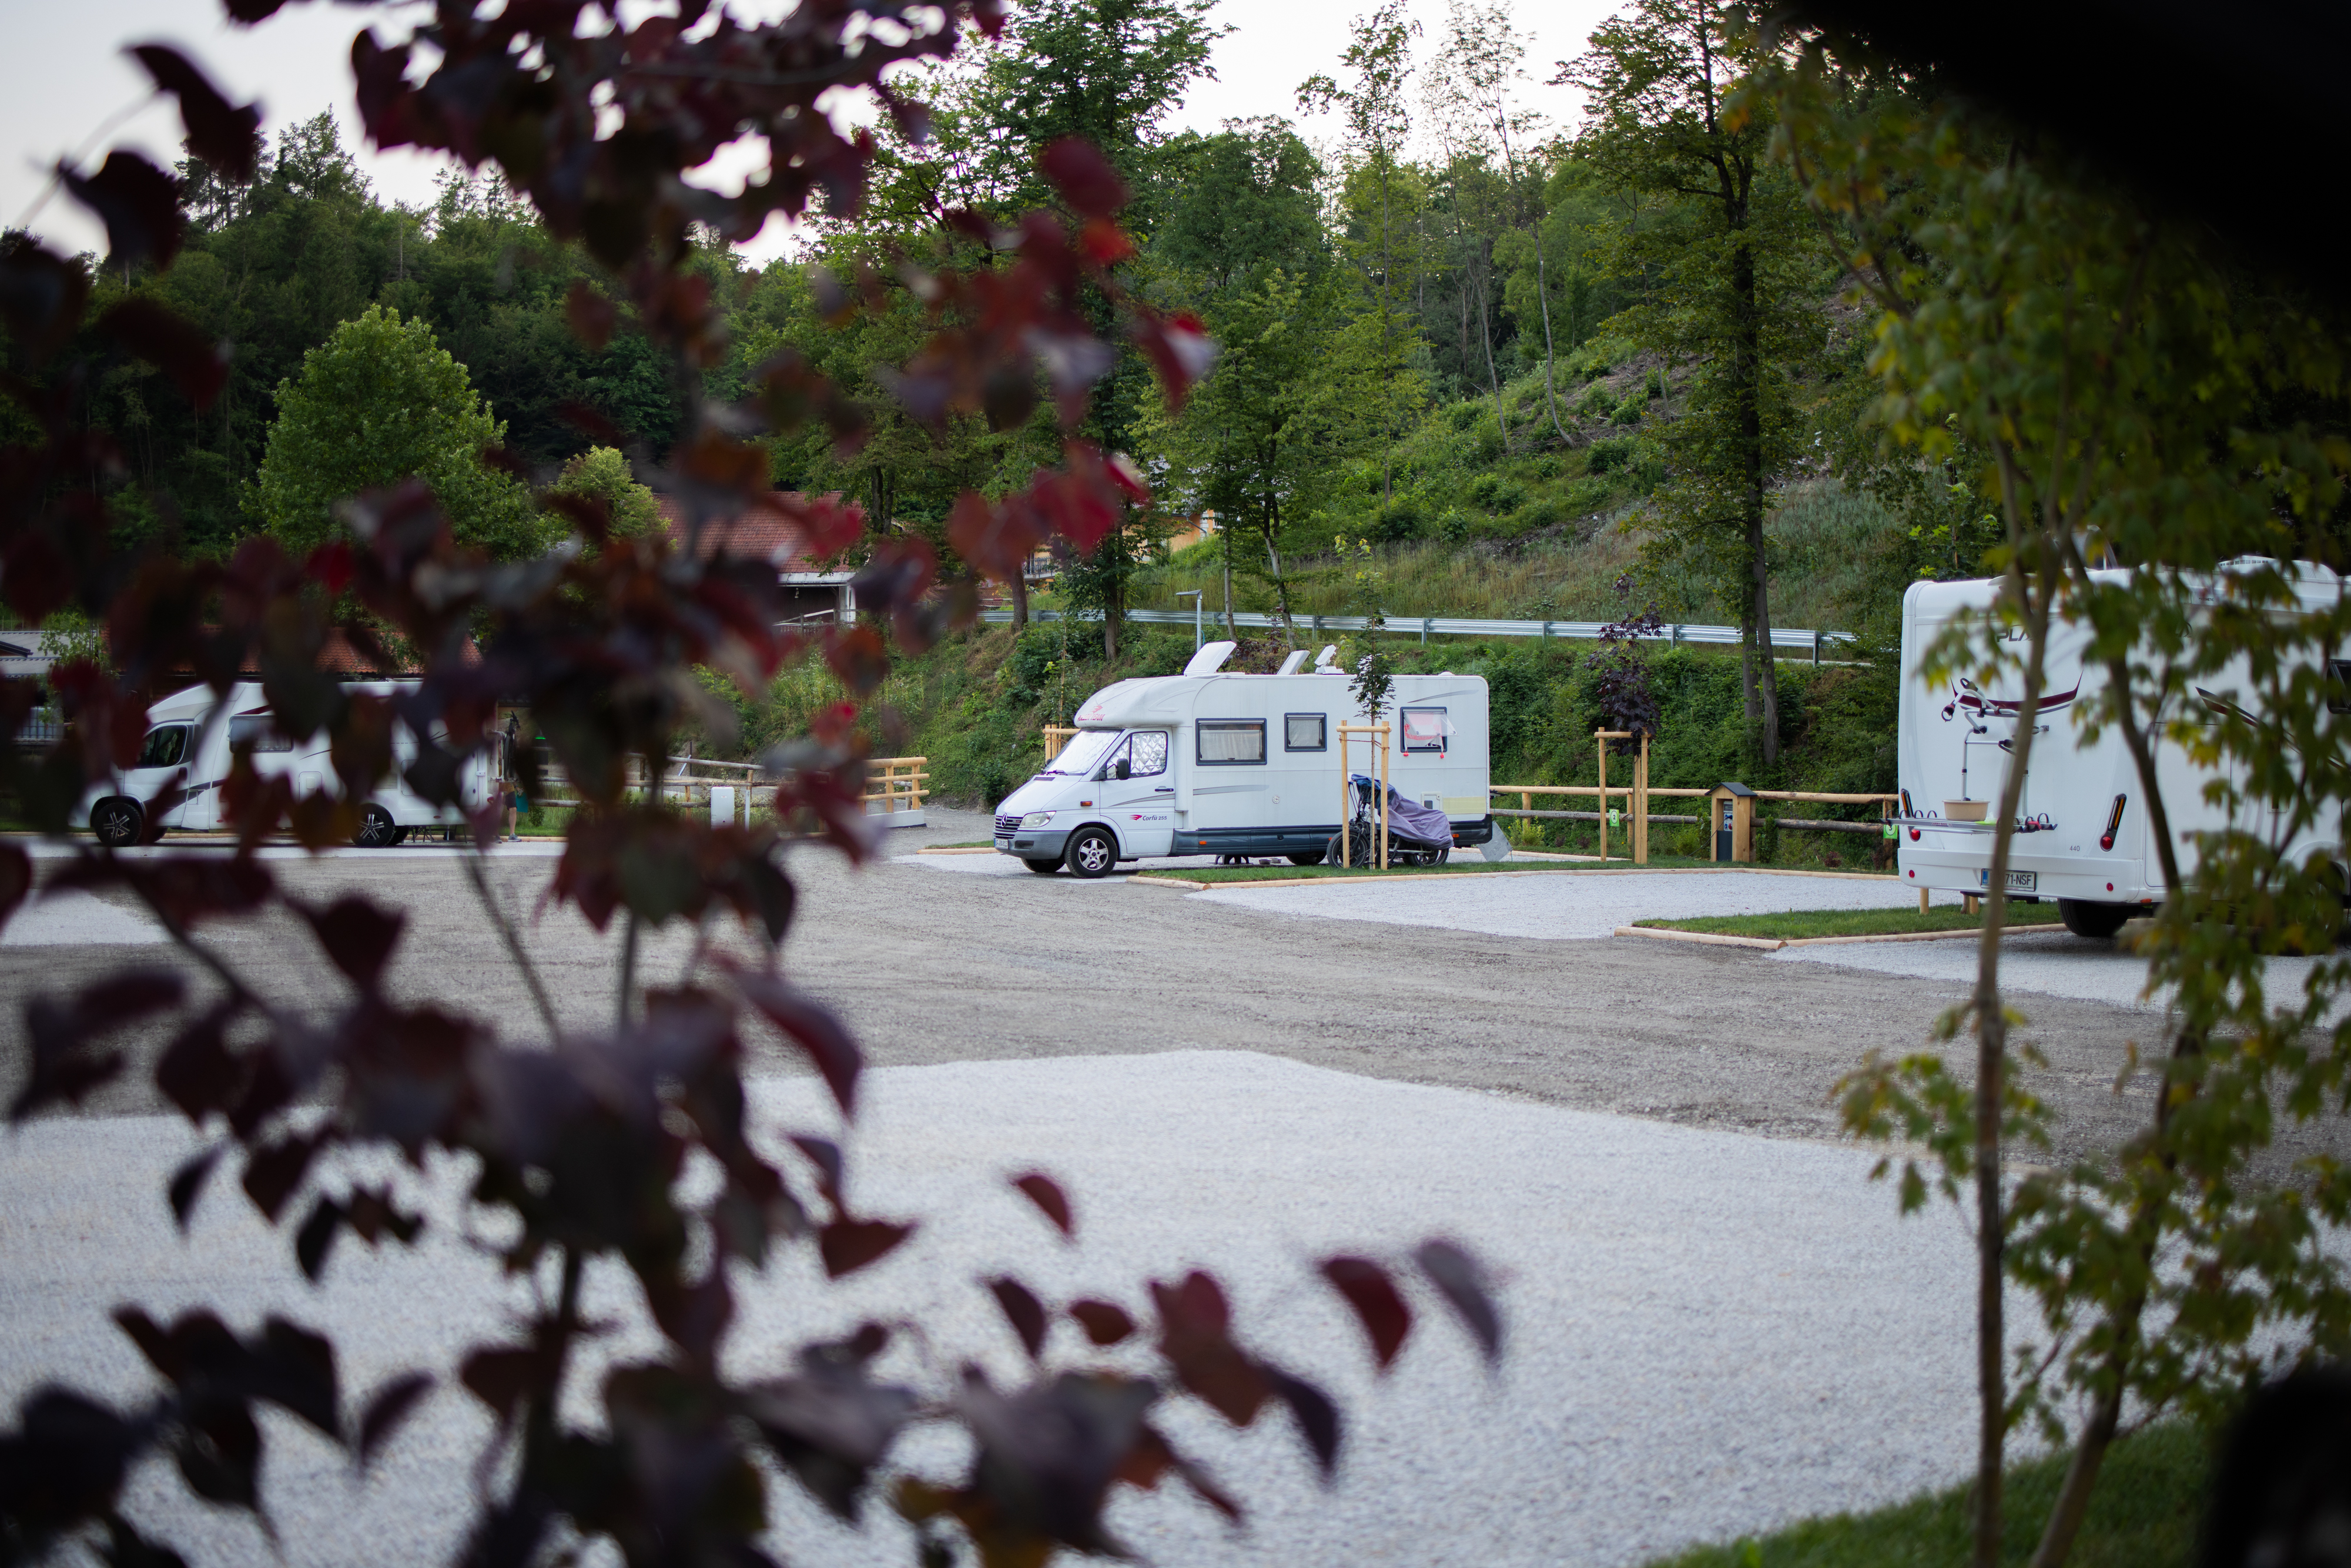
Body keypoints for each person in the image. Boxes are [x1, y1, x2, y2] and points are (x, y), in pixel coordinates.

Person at [501, 713, 527, 842]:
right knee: (497, 809)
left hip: (508, 783)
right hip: (498, 782)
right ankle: (494, 835)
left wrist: (516, 787)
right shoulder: (499, 746)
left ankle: (512, 835)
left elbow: (510, 770)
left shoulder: (513, 751)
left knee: (513, 808)